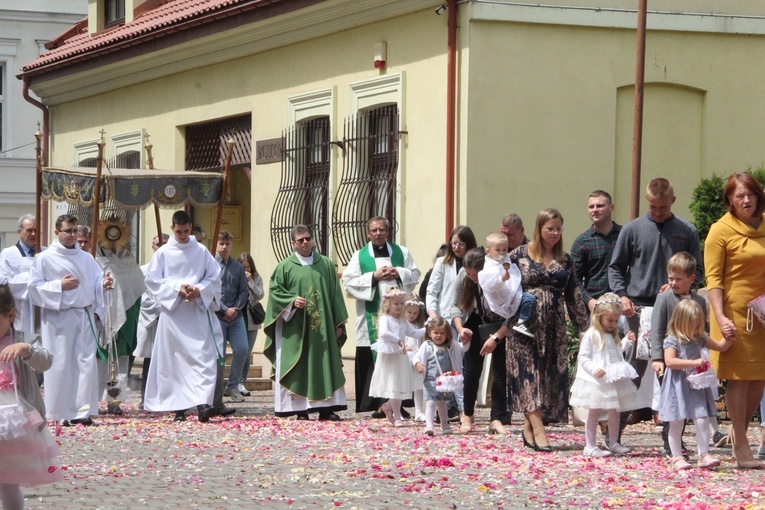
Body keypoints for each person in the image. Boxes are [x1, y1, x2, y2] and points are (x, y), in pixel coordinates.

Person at [609, 178, 703, 429]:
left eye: (662, 207)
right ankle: (615, 432)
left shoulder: (687, 231)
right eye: (652, 207)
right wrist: (622, 295)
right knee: (632, 371)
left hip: (675, 308)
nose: (657, 212)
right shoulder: (632, 229)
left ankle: (671, 437)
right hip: (637, 308)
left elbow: (699, 271)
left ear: (673, 200)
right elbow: (616, 268)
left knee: (672, 372)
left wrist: (683, 286)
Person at [507, 208, 589, 452]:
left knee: (545, 377)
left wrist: (584, 327)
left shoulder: (566, 259)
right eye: (549, 228)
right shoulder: (519, 254)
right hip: (524, 323)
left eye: (558, 229)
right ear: (539, 229)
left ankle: (528, 427)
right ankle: (539, 430)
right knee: (528, 374)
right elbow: (499, 282)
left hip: (554, 325)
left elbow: (574, 294)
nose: (554, 233)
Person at [27, 214, 113, 426]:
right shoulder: (44, 258)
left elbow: (94, 283)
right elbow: (33, 289)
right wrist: (58, 286)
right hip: (59, 318)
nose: (73, 235)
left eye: (75, 231)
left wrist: (104, 284)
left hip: (83, 316)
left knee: (85, 363)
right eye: (68, 231)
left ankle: (82, 411)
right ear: (57, 232)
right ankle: (59, 411)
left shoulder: (86, 258)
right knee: (61, 364)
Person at [704, 172, 765, 468]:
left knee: (759, 380)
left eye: (750, 194)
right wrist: (719, 317)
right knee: (739, 379)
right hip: (732, 313)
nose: (746, 200)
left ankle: (737, 432)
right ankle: (741, 445)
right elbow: (713, 279)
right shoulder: (720, 230)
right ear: (729, 200)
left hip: (763, 312)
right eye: (739, 196)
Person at [144, 211, 228, 423]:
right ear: (172, 228)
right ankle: (179, 408)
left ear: (191, 227)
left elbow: (214, 277)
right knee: (175, 360)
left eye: (186, 231)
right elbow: (152, 280)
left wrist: (199, 289)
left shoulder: (200, 250)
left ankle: (203, 405)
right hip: (174, 315)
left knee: (203, 359)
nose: (182, 236)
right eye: (179, 231)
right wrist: (176, 288)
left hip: (196, 313)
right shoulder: (163, 253)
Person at [264, 224, 348, 421]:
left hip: (323, 328)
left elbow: (336, 296)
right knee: (300, 365)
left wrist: (338, 324)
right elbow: (275, 294)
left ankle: (327, 409)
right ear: (293, 243)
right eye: (300, 240)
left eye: (308, 238)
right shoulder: (284, 267)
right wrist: (291, 302)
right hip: (296, 328)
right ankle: (301, 409)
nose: (305, 242)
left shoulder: (326, 264)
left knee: (324, 362)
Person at [342, 217, 420, 414]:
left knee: (397, 361)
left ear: (388, 231)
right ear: (368, 233)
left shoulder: (401, 252)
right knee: (376, 360)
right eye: (374, 230)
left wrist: (399, 272)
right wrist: (373, 277)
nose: (378, 234)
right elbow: (348, 282)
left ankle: (397, 405)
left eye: (382, 230)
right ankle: (377, 405)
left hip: (398, 316)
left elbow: (415, 274)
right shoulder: (359, 255)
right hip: (371, 314)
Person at [650, 252, 724, 454]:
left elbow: (702, 330)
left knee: (696, 404)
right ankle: (671, 444)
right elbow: (656, 328)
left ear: (692, 279)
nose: (673, 283)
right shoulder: (664, 298)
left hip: (693, 360)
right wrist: (657, 357)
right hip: (671, 358)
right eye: (670, 278)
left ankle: (699, 450)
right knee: (674, 404)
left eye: (678, 279)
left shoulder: (699, 301)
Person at [0, 284, 62, 510]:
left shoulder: (23, 339)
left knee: (7, 481)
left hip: (15, 425)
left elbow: (46, 361)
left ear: (11, 314)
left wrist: (26, 349)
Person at [658, 300, 734, 470]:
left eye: (698, 326)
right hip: (678, 386)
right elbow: (670, 361)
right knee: (676, 422)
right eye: (692, 327)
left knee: (702, 419)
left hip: (697, 385)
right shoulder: (672, 340)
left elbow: (721, 346)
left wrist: (729, 338)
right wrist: (693, 361)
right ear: (680, 323)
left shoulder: (699, 338)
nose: (695, 331)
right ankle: (676, 456)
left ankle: (703, 454)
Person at [570, 293, 637, 457]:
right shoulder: (592, 335)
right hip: (596, 381)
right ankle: (590, 445)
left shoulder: (612, 335)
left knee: (615, 410)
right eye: (610, 320)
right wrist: (594, 369)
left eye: (616, 321)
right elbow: (583, 357)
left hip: (612, 378)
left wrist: (627, 342)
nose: (613, 324)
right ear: (599, 317)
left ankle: (613, 442)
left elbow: (615, 352)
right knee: (594, 412)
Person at [453, 247, 511, 435]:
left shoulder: (498, 275)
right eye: (469, 274)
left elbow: (512, 308)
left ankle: (496, 418)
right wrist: (461, 329)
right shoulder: (464, 277)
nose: (473, 277)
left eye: (476, 274)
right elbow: (454, 305)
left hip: (499, 322)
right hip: (475, 322)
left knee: (500, 372)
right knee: (471, 371)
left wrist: (496, 338)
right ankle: (467, 414)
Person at [369, 288, 424, 426]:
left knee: (398, 385)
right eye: (396, 304)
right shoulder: (385, 318)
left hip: (400, 356)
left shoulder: (403, 320)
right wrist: (398, 340)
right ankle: (397, 416)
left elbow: (415, 333)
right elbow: (383, 333)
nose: (399, 306)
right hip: (389, 355)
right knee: (393, 384)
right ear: (388, 304)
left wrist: (428, 327)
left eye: (401, 303)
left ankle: (388, 407)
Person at [413, 317, 468, 436]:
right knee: (430, 402)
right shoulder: (427, 346)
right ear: (429, 333)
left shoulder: (450, 346)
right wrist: (418, 364)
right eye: (436, 333)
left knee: (442, 404)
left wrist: (466, 341)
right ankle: (429, 425)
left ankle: (445, 424)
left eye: (442, 333)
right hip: (431, 381)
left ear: (447, 334)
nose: (439, 336)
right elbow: (416, 357)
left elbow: (463, 348)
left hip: (445, 382)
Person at [570, 190, 622, 311]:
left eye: (599, 206)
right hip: (595, 307)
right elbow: (574, 280)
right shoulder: (581, 242)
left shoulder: (625, 236)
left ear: (611, 208)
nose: (595, 209)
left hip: (623, 306)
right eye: (591, 206)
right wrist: (589, 301)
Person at [214, 231, 249, 404]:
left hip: (236, 317)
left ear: (232, 245)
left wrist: (235, 309)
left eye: (227, 243)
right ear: (216, 244)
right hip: (217, 316)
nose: (224, 247)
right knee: (218, 355)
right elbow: (209, 293)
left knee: (243, 349)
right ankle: (217, 391)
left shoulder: (237, 267)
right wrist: (224, 309)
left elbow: (244, 290)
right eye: (221, 243)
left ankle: (233, 386)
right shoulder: (210, 265)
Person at [134, 233, 168, 409]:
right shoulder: (143, 270)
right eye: (157, 244)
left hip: (169, 320)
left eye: (165, 244)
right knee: (149, 360)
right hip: (151, 319)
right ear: (152, 247)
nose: (161, 248)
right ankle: (144, 396)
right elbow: (141, 296)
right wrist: (159, 307)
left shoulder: (173, 269)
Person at [480, 231, 536, 338]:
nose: (502, 253)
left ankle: (521, 321)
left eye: (504, 250)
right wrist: (501, 279)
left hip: (509, 296)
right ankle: (521, 322)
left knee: (528, 300)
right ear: (488, 251)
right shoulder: (489, 267)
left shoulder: (504, 260)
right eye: (497, 250)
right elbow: (487, 283)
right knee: (529, 299)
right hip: (502, 299)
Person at [0, 214, 39, 345]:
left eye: (36, 230)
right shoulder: (8, 254)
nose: (33, 233)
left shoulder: (44, 253)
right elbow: (6, 282)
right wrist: (33, 279)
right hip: (20, 309)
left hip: (41, 308)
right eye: (29, 230)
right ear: (19, 232)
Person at [237, 252, 264, 397]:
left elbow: (260, 295)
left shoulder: (257, 278)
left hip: (252, 318)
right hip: (238, 316)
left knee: (247, 352)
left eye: (248, 267)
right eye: (243, 267)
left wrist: (251, 282)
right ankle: (234, 383)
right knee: (240, 350)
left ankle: (242, 382)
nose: (246, 270)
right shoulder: (235, 277)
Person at [404, 293, 427, 421]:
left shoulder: (419, 326)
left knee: (418, 385)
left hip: (416, 358)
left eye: (415, 313)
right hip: (404, 357)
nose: (412, 315)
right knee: (402, 385)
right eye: (409, 312)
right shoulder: (402, 324)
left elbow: (421, 340)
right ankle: (392, 407)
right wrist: (405, 347)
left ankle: (418, 411)